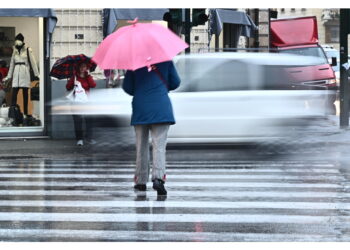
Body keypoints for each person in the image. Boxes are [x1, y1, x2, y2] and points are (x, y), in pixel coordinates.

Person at [122, 61, 181, 196]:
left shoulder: (134, 62)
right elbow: (175, 83)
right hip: (161, 107)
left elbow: (128, 87)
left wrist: (140, 89)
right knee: (159, 146)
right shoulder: (166, 60)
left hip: (141, 108)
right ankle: (158, 179)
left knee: (141, 146)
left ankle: (141, 181)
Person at [2, 33, 39, 121]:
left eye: (18, 40)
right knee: (14, 95)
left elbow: (33, 63)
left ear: (22, 40)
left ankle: (26, 113)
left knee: (25, 95)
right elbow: (11, 64)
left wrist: (37, 74)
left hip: (24, 72)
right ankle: (14, 114)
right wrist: (8, 76)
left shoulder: (27, 50)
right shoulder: (14, 50)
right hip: (16, 74)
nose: (17, 41)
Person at [66, 62, 97, 146]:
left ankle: (89, 138)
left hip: (87, 102)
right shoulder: (74, 77)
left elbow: (93, 85)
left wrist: (89, 76)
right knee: (78, 121)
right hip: (76, 102)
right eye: (82, 66)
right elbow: (68, 87)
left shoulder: (88, 77)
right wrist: (71, 82)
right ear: (78, 68)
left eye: (85, 67)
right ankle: (79, 139)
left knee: (89, 120)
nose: (83, 68)